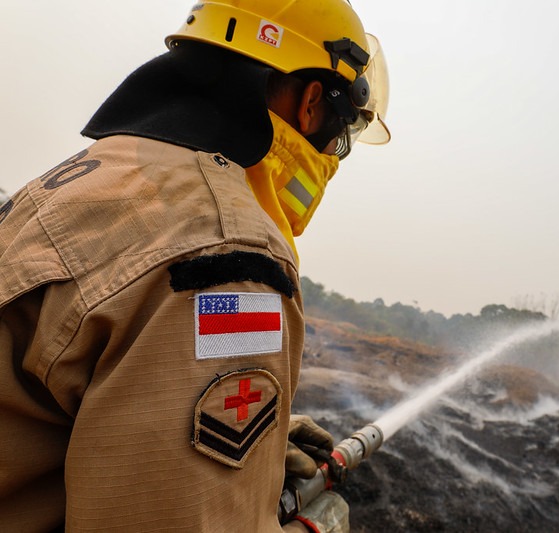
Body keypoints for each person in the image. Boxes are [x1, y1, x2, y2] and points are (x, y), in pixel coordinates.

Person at [0, 1, 389, 531]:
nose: (333, 151)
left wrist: (252, 440)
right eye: (341, 132)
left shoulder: (72, 181)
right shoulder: (229, 263)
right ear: (312, 103)